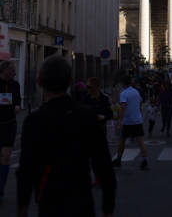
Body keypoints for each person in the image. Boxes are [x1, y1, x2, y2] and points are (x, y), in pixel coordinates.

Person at [16, 55, 116, 217]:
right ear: (70, 81)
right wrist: (108, 209)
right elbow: (104, 166)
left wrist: (22, 208)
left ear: (39, 82)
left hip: (49, 203)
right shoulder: (87, 116)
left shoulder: (34, 121)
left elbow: (26, 170)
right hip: (81, 202)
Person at [112, 76, 148, 170]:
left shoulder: (124, 93)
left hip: (128, 121)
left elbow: (123, 107)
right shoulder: (136, 91)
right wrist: (138, 110)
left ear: (123, 84)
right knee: (141, 141)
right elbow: (140, 102)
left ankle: (119, 160)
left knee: (122, 140)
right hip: (137, 120)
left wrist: (121, 120)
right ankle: (144, 161)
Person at [0, 60, 21, 202]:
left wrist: (18, 106)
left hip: (9, 125)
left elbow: (17, 100)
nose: (14, 72)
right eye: (12, 70)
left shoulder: (15, 84)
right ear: (5, 70)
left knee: (6, 156)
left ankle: (0, 189)